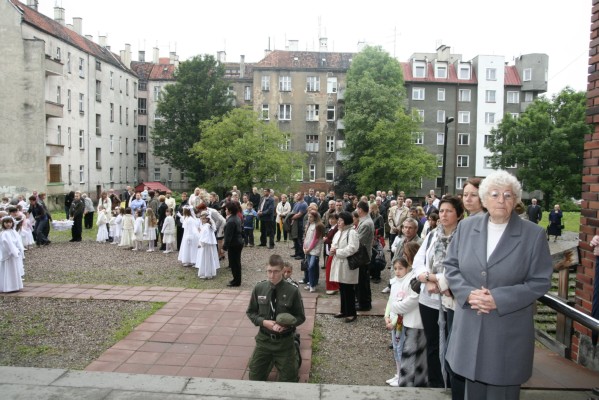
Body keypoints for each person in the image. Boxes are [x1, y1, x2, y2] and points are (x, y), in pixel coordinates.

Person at [444, 170, 553, 399]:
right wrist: (468, 294)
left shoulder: (533, 235)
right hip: (470, 327)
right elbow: (451, 266)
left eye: (508, 195)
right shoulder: (466, 227)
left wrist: (498, 299)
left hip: (506, 334)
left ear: (516, 201)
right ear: (484, 199)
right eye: (494, 194)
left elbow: (540, 281)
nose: (501, 200)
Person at [413, 195, 464, 389]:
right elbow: (418, 262)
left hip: (451, 299)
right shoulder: (433, 235)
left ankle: (452, 384)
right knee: (432, 343)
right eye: (441, 210)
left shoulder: (464, 236)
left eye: (449, 211)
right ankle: (435, 383)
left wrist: (436, 279)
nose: (444, 214)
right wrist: (426, 278)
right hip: (429, 298)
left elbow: (461, 267)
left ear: (459, 214)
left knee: (452, 343)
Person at [246, 254, 306, 382]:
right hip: (264, 340)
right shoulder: (259, 288)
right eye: (269, 271)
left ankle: (295, 348)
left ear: (283, 270)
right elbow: (251, 312)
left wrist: (287, 324)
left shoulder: (292, 290)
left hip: (285, 342)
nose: (272, 276)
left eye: (276, 272)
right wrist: (263, 322)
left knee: (289, 380)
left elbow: (300, 317)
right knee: (254, 377)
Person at [385, 256, 426, 387]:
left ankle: (401, 375)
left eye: (400, 268)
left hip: (399, 323)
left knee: (400, 348)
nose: (397, 271)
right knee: (396, 348)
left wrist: (393, 320)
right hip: (392, 320)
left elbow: (402, 306)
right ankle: (398, 373)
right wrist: (386, 316)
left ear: (407, 268)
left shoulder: (408, 283)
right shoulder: (394, 282)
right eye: (395, 268)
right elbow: (390, 302)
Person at [329, 211, 360, 323]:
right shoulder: (338, 232)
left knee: (348, 289)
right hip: (339, 263)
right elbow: (334, 243)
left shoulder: (352, 232)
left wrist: (337, 251)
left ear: (346, 221)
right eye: (338, 220)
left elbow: (353, 248)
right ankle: (343, 310)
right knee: (342, 288)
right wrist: (333, 250)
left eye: (341, 220)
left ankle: (351, 313)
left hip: (347, 264)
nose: (338, 222)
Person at [355, 201, 375, 312]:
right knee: (361, 281)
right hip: (363, 256)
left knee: (363, 282)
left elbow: (358, 240)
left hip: (363, 257)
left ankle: (365, 304)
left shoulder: (367, 223)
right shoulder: (365, 221)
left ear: (360, 210)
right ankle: (362, 301)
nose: (356, 211)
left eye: (357, 208)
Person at [302, 210, 325, 293]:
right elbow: (306, 237)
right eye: (308, 216)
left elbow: (315, 239)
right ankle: (311, 283)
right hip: (307, 249)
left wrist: (309, 249)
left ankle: (312, 284)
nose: (309, 218)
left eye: (311, 217)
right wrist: (304, 247)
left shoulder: (317, 226)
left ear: (315, 217)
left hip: (314, 250)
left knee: (312, 266)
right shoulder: (308, 225)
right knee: (310, 266)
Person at [0, 216, 24, 293]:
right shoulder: (4, 233)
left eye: (10, 222)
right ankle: (8, 286)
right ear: (3, 223)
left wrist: (19, 249)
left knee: (14, 269)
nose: (8, 224)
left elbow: (18, 241)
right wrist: (13, 251)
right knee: (9, 269)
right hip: (9, 254)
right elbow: (7, 244)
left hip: (15, 252)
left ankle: (15, 285)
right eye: (6, 222)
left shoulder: (13, 232)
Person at [223, 202, 244, 287]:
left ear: (230, 210)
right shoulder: (236, 217)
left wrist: (224, 247)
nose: (225, 210)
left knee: (234, 263)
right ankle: (236, 279)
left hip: (234, 244)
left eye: (226, 209)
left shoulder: (231, 220)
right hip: (238, 242)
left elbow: (228, 235)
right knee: (235, 262)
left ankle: (237, 281)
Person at [196, 211, 220, 279]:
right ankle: (208, 272)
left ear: (207, 219)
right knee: (207, 259)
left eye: (204, 219)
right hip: (207, 245)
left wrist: (201, 244)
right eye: (201, 218)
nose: (202, 220)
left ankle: (207, 273)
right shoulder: (207, 226)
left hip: (206, 245)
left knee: (206, 259)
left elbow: (205, 237)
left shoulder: (207, 226)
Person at [323, 213, 340, 295]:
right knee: (330, 269)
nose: (330, 220)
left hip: (333, 251)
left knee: (331, 269)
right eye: (330, 219)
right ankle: (333, 286)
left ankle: (333, 287)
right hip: (329, 250)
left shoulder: (336, 228)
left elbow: (335, 241)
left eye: (333, 219)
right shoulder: (332, 228)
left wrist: (326, 240)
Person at [290, 192, 308, 260]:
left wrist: (290, 218)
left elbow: (299, 214)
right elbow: (293, 212)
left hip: (300, 224)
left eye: (298, 195)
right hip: (295, 223)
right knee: (295, 239)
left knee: (300, 239)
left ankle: (301, 254)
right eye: (296, 195)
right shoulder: (296, 203)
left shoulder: (304, 204)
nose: (297, 196)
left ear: (302, 195)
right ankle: (296, 253)